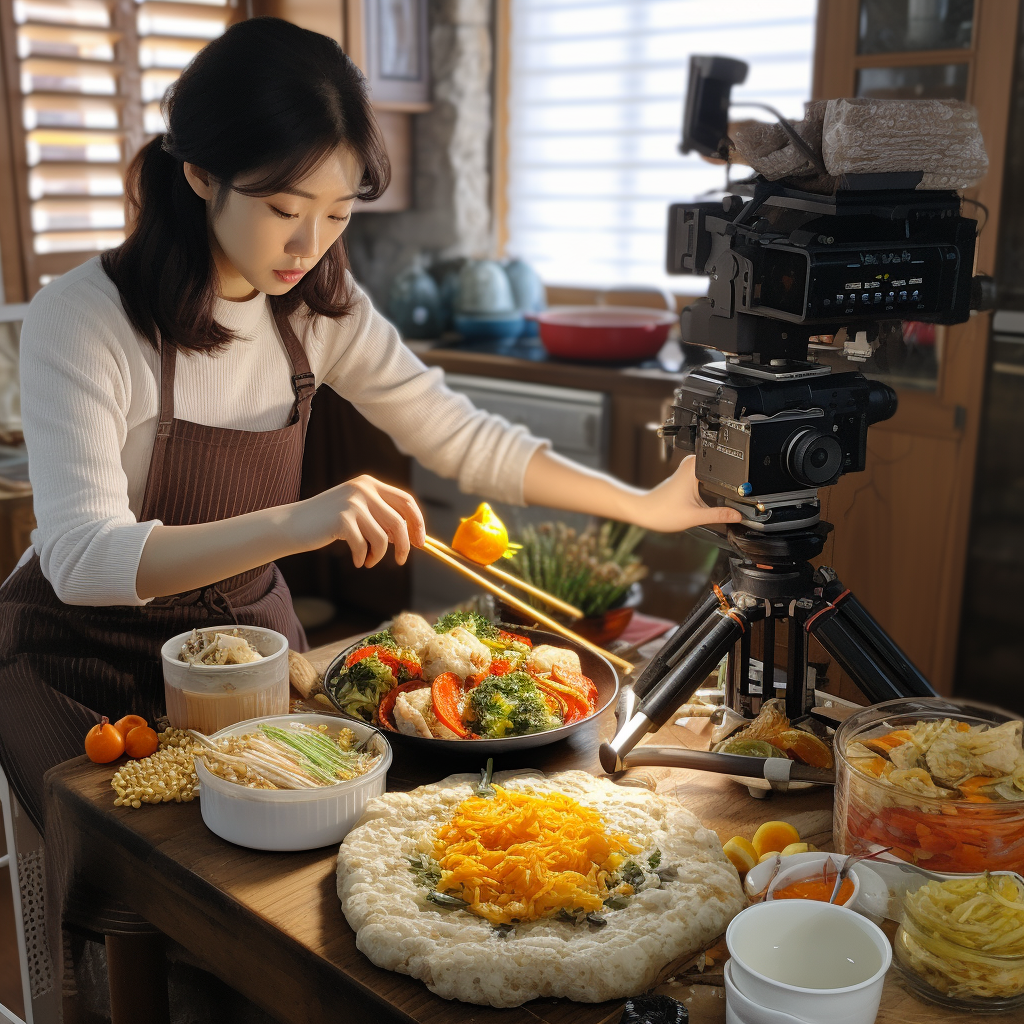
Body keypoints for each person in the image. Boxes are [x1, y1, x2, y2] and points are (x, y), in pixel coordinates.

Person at [0, 17, 740, 836]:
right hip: (83, 657)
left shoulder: (321, 310)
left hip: (250, 646)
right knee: (135, 896)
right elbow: (79, 560)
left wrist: (641, 505)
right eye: (284, 207)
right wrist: (301, 521)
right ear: (202, 174)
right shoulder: (82, 316)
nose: (308, 246)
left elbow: (459, 434)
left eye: (338, 214)